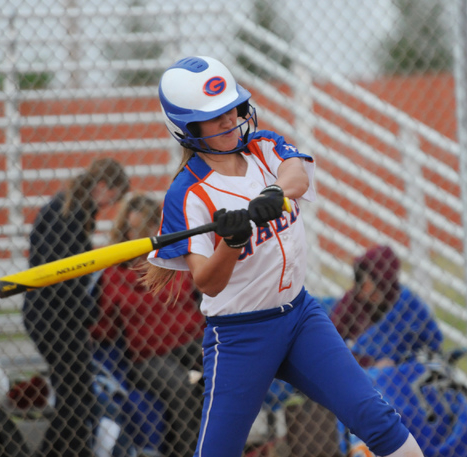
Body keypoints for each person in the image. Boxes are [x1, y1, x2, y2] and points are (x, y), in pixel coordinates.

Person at [142, 55, 424, 457]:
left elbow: (295, 172)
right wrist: (232, 241)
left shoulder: (262, 147)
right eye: (214, 116)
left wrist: (274, 194)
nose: (229, 120)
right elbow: (207, 281)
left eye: (232, 108)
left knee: (376, 418)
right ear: (186, 128)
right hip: (240, 336)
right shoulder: (186, 194)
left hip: (300, 316)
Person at [22, 158, 130, 457]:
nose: (111, 205)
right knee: (77, 400)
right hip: (54, 319)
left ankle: (61, 451)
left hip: (56, 318)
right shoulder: (67, 213)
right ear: (103, 187)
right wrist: (87, 311)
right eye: (114, 197)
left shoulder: (71, 209)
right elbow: (60, 275)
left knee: (77, 399)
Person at [90, 193, 206, 457]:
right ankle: (191, 453)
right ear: (125, 230)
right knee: (181, 389)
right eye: (136, 228)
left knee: (224, 371)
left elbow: (199, 295)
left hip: (190, 340)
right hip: (149, 355)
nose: (142, 234)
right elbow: (105, 328)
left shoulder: (174, 259)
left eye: (149, 226)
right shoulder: (115, 274)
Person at [330, 245, 444, 368]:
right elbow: (329, 343)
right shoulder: (353, 300)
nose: (364, 294)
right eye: (361, 286)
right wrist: (370, 363)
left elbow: (433, 343)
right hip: (362, 371)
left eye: (372, 289)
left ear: (384, 284)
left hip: (406, 368)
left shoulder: (407, 305)